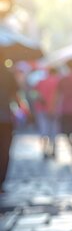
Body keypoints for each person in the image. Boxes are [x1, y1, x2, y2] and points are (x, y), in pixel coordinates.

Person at [0, 53, 20, 193]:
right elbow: (15, 96)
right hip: (5, 118)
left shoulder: (9, 74)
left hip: (6, 117)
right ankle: (0, 182)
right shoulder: (8, 74)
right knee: (4, 151)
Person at [35, 67, 60, 158]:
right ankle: (53, 150)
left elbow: (37, 94)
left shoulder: (41, 81)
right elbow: (57, 95)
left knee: (44, 130)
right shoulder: (57, 81)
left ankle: (44, 150)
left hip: (41, 108)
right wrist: (52, 106)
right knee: (54, 130)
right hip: (54, 109)